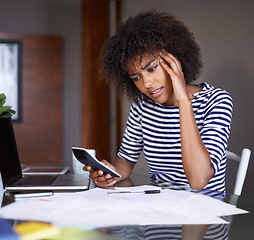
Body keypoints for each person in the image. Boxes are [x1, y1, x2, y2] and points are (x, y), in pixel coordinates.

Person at [83, 10, 233, 192]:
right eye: (136, 77)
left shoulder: (216, 101)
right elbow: (126, 161)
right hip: (159, 210)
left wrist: (184, 102)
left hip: (206, 212)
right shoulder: (142, 106)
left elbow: (198, 180)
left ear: (174, 59)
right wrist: (110, 174)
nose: (147, 83)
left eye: (152, 68)